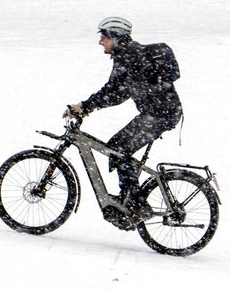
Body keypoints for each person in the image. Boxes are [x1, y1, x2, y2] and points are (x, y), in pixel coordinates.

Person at [63, 17, 183, 215]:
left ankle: (136, 204)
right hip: (158, 112)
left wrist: (84, 106)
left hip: (161, 114)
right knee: (118, 148)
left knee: (118, 149)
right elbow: (117, 92)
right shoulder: (129, 54)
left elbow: (113, 92)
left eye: (103, 37)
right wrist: (87, 106)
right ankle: (130, 196)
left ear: (115, 36)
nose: (100, 41)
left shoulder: (128, 55)